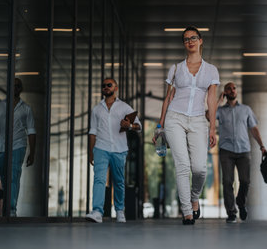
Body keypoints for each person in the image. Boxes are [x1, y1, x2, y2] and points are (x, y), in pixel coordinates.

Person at [153, 26, 219, 225]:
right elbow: (168, 98)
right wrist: (159, 125)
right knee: (182, 166)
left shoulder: (211, 70)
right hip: (175, 118)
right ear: (184, 44)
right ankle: (187, 212)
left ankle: (194, 197)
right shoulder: (175, 68)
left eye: (193, 38)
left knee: (199, 169)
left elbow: (212, 101)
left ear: (201, 41)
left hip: (199, 120)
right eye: (186, 39)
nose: (190, 41)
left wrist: (213, 128)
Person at [86, 78, 142, 223]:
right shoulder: (97, 109)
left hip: (119, 149)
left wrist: (129, 125)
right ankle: (97, 211)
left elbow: (139, 126)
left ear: (115, 88)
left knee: (118, 181)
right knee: (99, 179)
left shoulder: (124, 107)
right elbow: (92, 132)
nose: (105, 87)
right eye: (103, 85)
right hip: (101, 148)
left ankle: (119, 210)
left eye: (109, 85)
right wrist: (91, 152)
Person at [0, 78, 36, 217]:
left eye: (18, 86)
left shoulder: (26, 108)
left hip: (18, 145)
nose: (15, 88)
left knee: (14, 175)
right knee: (5, 178)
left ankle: (11, 209)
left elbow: (31, 131)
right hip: (0, 147)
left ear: (20, 89)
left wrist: (32, 152)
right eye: (13, 86)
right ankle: (8, 207)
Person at [216, 82, 267, 223]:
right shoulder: (220, 111)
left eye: (234, 88)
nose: (232, 90)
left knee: (245, 181)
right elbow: (208, 116)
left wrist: (262, 146)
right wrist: (218, 101)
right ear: (225, 92)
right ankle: (231, 213)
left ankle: (241, 202)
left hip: (244, 150)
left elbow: (254, 129)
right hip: (226, 151)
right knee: (227, 182)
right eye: (229, 89)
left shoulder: (246, 110)